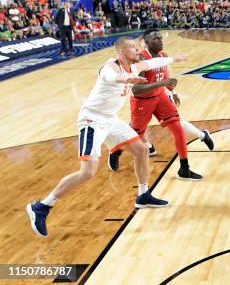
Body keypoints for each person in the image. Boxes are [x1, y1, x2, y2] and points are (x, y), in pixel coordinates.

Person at [26, 37, 188, 237]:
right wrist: (126, 79)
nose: (137, 50)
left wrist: (174, 59)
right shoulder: (109, 67)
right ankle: (41, 206)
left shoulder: (135, 67)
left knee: (141, 150)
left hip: (110, 119)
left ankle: (143, 195)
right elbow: (111, 78)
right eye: (132, 48)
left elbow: (154, 62)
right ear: (121, 51)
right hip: (92, 120)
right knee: (87, 172)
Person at [107, 29, 214, 180]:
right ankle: (116, 150)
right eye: (156, 38)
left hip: (160, 97)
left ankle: (184, 169)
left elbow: (165, 76)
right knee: (135, 136)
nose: (160, 40)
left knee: (177, 128)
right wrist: (161, 83)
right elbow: (136, 89)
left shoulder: (162, 55)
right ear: (148, 43)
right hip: (142, 101)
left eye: (160, 37)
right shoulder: (140, 60)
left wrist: (172, 91)